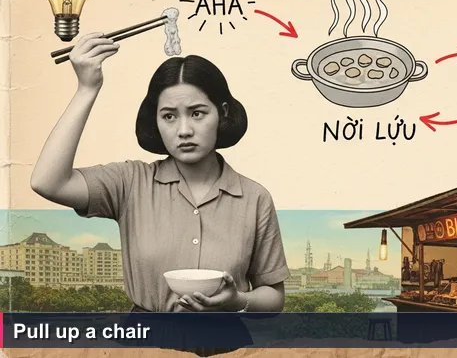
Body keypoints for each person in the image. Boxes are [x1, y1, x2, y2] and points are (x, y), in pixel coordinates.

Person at [30, 32, 290, 315]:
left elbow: (273, 297)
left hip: (227, 338)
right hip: (146, 337)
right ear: (155, 120)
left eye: (197, 113)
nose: (184, 130)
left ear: (222, 112)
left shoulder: (255, 198)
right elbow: (48, 182)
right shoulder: (130, 182)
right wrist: (86, 88)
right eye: (169, 116)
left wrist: (237, 301)